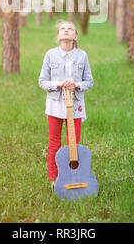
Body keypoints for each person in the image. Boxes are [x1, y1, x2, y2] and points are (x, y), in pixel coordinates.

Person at [38, 20, 94, 190]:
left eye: (70, 28)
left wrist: (76, 84)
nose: (66, 30)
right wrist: (60, 83)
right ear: (58, 36)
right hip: (55, 105)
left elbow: (89, 81)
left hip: (75, 105)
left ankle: (72, 177)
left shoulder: (82, 55)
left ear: (75, 35)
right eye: (62, 28)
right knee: (54, 142)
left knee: (73, 144)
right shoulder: (50, 55)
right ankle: (54, 179)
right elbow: (42, 81)